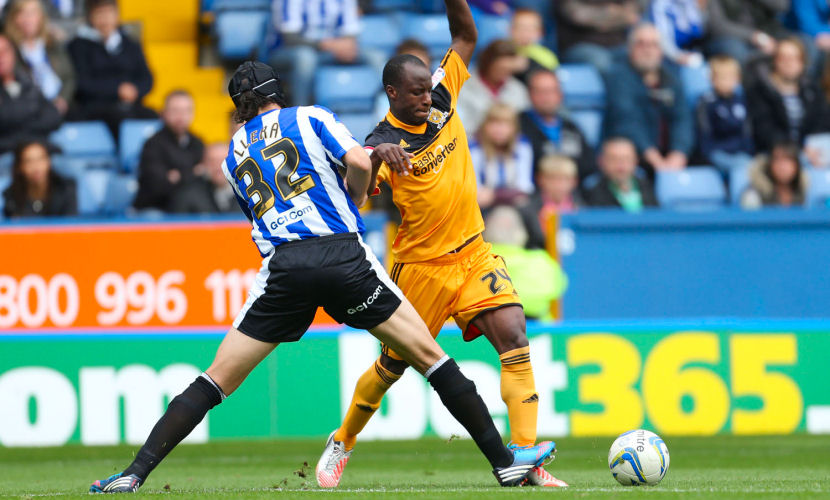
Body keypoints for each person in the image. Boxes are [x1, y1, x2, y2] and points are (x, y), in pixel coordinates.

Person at [88, 60, 555, 494]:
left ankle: (133, 474)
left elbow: (258, 212)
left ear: (240, 107)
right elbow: (358, 163)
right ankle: (503, 462)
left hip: (285, 269)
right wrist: (355, 191)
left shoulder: (231, 153)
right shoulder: (311, 117)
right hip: (340, 255)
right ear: (278, 92)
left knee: (215, 381)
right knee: (431, 359)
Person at [315, 0, 567, 489]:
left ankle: (524, 458)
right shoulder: (382, 142)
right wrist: (368, 159)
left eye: (426, 90)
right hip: (422, 267)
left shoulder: (444, 94)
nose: (426, 99)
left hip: (473, 251)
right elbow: (353, 199)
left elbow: (465, 36)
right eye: (414, 94)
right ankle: (343, 439)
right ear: (392, 93)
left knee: (514, 332)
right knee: (391, 368)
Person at [605, 23, 693, 173]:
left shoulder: (672, 80)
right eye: (641, 44)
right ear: (630, 49)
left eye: (653, 45)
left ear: (661, 51)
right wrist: (654, 159)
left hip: (670, 161)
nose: (647, 50)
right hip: (635, 162)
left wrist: (679, 153)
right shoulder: (618, 79)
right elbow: (627, 122)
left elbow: (682, 119)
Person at [268, 0, 383, 106]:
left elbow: (350, 33)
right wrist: (329, 45)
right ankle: (301, 110)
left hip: (330, 51)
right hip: (287, 53)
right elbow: (290, 39)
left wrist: (345, 46)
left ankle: (389, 111)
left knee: (377, 56)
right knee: (305, 58)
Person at [67, 0, 155, 137]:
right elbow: (82, 83)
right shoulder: (78, 46)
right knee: (122, 117)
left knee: (154, 117)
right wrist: (117, 90)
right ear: (90, 17)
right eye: (100, 13)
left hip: (130, 105)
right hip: (96, 106)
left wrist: (135, 90)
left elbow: (147, 79)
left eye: (109, 13)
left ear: (117, 15)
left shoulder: (130, 45)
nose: (105, 19)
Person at [483, 205, 568, 321]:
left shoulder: (473, 264)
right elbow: (560, 286)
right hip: (538, 334)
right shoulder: (541, 261)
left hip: (483, 333)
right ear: (521, 233)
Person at [746, 37, 823, 154]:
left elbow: (822, 123)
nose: (789, 63)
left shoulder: (811, 89)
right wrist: (797, 150)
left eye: (794, 58)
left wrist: (813, 146)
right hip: (773, 155)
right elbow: (763, 130)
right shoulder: (760, 90)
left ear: (803, 63)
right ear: (774, 61)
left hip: (811, 154)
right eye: (784, 58)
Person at [133, 90, 205, 212]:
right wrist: (192, 173)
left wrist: (178, 175)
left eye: (186, 111)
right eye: (175, 111)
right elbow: (158, 186)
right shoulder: (152, 144)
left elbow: (204, 180)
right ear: (164, 113)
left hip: (186, 208)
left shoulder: (198, 143)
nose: (181, 116)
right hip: (154, 209)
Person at [519, 69, 595, 181]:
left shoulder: (571, 127)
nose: (546, 98)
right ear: (529, 94)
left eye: (551, 91)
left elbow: (589, 165)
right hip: (534, 195)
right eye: (540, 91)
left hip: (573, 195)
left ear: (560, 95)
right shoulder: (518, 126)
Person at [3, 0, 75, 114]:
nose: (28, 19)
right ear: (13, 18)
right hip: (28, 111)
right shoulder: (8, 48)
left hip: (61, 108)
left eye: (32, 13)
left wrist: (63, 100)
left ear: (41, 17)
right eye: (23, 13)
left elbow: (69, 77)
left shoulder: (52, 44)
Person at [0, 33, 60, 154]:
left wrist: (15, 127)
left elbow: (53, 117)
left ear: (14, 54)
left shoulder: (27, 82)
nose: (1, 56)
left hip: (39, 152)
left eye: (5, 51)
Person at [470, 102, 535, 210]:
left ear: (514, 128)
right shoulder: (474, 147)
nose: (500, 129)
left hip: (515, 208)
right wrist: (507, 195)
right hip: (482, 209)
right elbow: (476, 193)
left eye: (506, 124)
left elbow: (524, 188)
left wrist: (494, 195)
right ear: (485, 126)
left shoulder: (522, 145)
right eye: (495, 123)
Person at [696, 55, 754, 174]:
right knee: (745, 167)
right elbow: (704, 135)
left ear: (738, 79)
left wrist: (747, 150)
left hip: (740, 153)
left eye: (731, 77)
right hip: (716, 153)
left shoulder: (741, 100)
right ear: (712, 79)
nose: (727, 82)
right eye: (722, 77)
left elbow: (747, 132)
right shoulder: (706, 102)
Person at [456, 39, 529, 134]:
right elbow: (460, 126)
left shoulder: (518, 90)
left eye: (508, 69)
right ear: (488, 64)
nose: (504, 73)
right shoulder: (463, 88)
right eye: (500, 68)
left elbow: (522, 127)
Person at [555, 0, 642, 76]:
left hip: (618, 45)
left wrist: (599, 19)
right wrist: (611, 13)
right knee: (603, 63)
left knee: (641, 59)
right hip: (580, 45)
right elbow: (578, 15)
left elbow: (632, 15)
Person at [519, 155, 581, 250]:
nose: (559, 185)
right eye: (553, 179)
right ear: (540, 179)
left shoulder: (583, 209)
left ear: (574, 182)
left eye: (565, 179)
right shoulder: (527, 210)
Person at [2, 139, 76, 217]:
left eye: (41, 159)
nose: (36, 167)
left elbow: (72, 225)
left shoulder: (66, 189)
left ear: (49, 161)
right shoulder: (10, 195)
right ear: (20, 167)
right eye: (28, 161)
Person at [584, 137, 659, 211]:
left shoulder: (647, 187)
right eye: (614, 159)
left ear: (636, 161)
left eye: (626, 159)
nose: (621, 164)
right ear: (601, 161)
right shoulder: (593, 193)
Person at [705, 0, 789, 65]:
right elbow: (717, 26)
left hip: (769, 32)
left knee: (797, 43)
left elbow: (782, 6)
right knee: (736, 50)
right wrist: (754, 36)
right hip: (731, 37)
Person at [170, 143, 238, 214]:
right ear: (204, 164)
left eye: (224, 161)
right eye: (212, 161)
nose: (218, 167)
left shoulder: (248, 195)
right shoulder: (188, 196)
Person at [741, 141, 809, 208]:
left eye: (787, 161)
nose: (782, 167)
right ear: (770, 164)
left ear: (796, 165)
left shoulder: (805, 191)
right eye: (778, 160)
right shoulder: (754, 195)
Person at [650, 0, 706, 67]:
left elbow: (698, 30)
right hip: (671, 58)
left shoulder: (690, 3)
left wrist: (702, 8)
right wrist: (677, 56)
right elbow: (662, 36)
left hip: (695, 52)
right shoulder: (661, 4)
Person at [510, 8, 558, 83]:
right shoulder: (504, 53)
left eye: (530, 28)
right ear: (511, 30)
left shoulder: (547, 56)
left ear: (540, 32)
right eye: (520, 27)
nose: (525, 32)